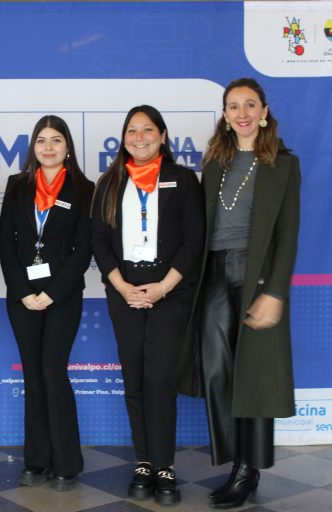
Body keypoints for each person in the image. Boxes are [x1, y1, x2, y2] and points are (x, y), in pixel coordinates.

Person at [195, 78, 300, 509]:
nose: (241, 113)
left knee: (255, 376)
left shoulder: (283, 164)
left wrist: (275, 291)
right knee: (218, 370)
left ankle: (247, 470)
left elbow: (288, 234)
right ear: (224, 114)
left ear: (264, 110)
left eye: (249, 105)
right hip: (216, 273)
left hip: (256, 274)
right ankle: (233, 459)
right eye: (233, 106)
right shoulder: (215, 162)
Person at [91, 105, 204, 505]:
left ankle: (164, 465)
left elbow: (194, 241)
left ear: (162, 134)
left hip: (169, 292)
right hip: (125, 293)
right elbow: (100, 243)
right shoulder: (110, 182)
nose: (139, 137)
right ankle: (143, 461)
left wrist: (163, 287)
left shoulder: (183, 179)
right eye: (132, 131)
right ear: (123, 138)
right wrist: (122, 286)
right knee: (135, 379)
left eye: (147, 130)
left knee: (160, 379)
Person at [0, 115, 94, 491]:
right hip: (22, 297)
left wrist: (51, 292)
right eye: (42, 140)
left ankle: (67, 463)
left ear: (67, 146)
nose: (49, 147)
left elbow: (82, 249)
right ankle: (36, 461)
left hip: (63, 296)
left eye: (56, 140)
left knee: (53, 374)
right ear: (33, 147)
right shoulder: (18, 186)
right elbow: (6, 243)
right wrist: (23, 291)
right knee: (33, 378)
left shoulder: (83, 188)